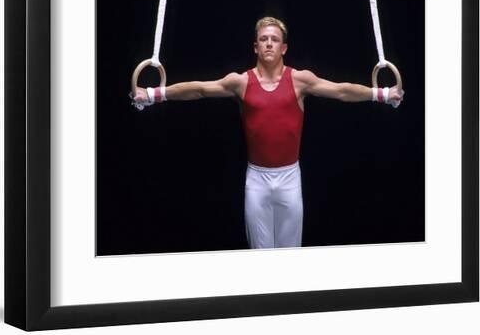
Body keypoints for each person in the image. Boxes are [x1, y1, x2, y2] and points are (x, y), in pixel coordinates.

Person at [133, 17, 404, 249]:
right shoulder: (240, 82)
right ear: (255, 46)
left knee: (289, 256)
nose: (269, 43)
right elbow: (200, 89)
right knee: (260, 257)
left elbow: (341, 90)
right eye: (263, 39)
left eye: (274, 39)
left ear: (284, 47)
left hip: (289, 178)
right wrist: (155, 94)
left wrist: (381, 93)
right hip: (257, 181)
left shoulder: (300, 80)